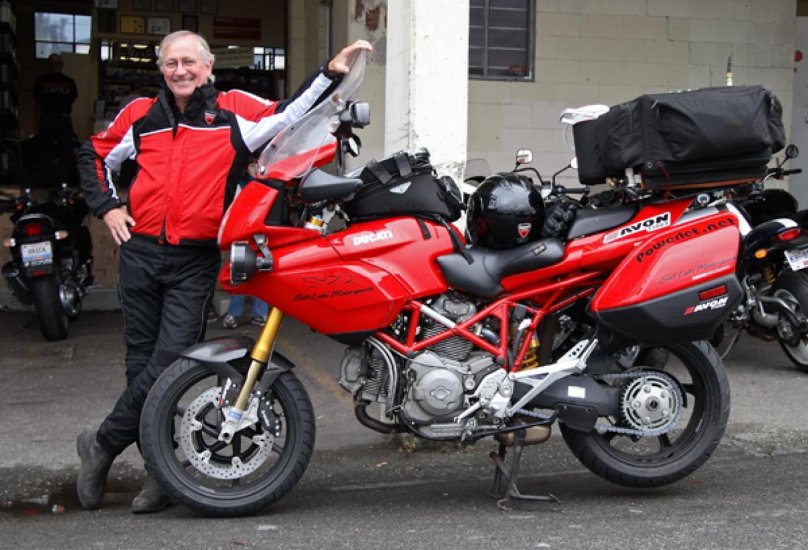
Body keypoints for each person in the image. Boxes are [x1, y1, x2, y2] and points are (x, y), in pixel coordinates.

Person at [75, 30, 371, 514]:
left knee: (170, 363)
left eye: (189, 62)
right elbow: (94, 154)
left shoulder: (234, 110)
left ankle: (102, 444)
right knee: (140, 363)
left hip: (193, 260)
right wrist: (107, 206)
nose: (181, 71)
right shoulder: (140, 115)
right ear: (161, 69)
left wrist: (329, 72)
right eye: (171, 63)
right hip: (140, 253)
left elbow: (290, 112)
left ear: (208, 67)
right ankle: (158, 470)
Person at [222, 159, 269, 328]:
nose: (256, 168)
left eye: (258, 165)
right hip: (242, 232)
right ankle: (234, 313)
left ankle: (259, 313)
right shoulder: (239, 185)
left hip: (261, 232)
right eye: (252, 165)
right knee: (239, 271)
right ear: (245, 168)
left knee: (262, 272)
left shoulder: (267, 184)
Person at [33, 53, 78, 163]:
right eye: (53, 63)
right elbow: (37, 100)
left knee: (63, 150)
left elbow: (37, 100)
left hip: (57, 118)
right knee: (47, 150)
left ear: (61, 65)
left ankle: (60, 170)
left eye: (57, 63)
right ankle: (50, 170)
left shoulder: (68, 82)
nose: (55, 66)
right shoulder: (42, 81)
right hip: (52, 118)